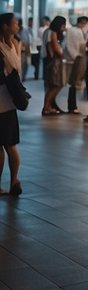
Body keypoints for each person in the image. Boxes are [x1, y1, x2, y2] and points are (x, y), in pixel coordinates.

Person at [0, 13, 23, 196]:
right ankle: (14, 180)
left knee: (3, 146)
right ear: (5, 26)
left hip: (3, 100)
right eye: (15, 23)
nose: (17, 25)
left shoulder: (11, 44)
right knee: (10, 144)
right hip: (8, 102)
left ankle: (7, 182)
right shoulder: (12, 45)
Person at [41, 16, 67, 116]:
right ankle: (46, 107)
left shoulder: (46, 31)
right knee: (57, 84)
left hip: (47, 61)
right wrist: (63, 53)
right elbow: (56, 48)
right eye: (63, 25)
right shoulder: (53, 33)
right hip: (54, 61)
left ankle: (48, 106)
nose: (64, 27)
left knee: (51, 85)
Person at [62, 16, 88, 114]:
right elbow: (82, 46)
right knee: (74, 83)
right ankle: (72, 106)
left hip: (71, 58)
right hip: (77, 58)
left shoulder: (71, 31)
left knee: (73, 83)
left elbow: (67, 44)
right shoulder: (78, 31)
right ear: (83, 22)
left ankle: (72, 105)